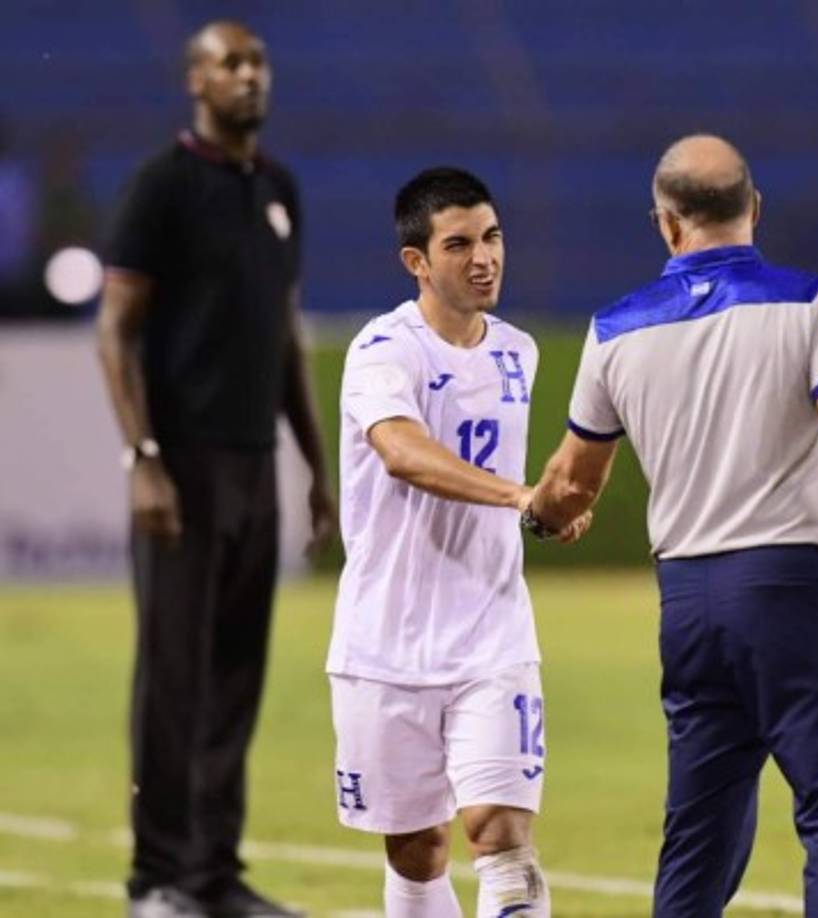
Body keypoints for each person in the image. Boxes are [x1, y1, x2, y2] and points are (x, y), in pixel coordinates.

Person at [524, 134, 818, 918]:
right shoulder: (810, 302)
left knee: (699, 835)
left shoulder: (613, 329)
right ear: (754, 210)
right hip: (794, 588)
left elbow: (571, 483)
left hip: (690, 606)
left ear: (666, 224)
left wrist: (540, 517)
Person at [97, 21, 336, 918]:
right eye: (230, 63)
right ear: (196, 78)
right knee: (173, 677)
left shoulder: (277, 189)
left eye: (259, 61)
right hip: (182, 468)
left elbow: (283, 336)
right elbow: (114, 331)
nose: (250, 75)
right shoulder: (161, 186)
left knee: (238, 672)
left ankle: (212, 873)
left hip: (254, 465)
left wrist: (314, 466)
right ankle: (154, 879)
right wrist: (142, 458)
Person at [327, 167, 588, 918]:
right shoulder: (381, 351)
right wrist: (520, 497)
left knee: (501, 839)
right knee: (417, 851)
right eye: (459, 243)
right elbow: (403, 453)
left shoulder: (520, 352)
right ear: (417, 261)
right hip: (384, 645)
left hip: (491, 636)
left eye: (493, 236)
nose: (485, 257)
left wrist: (544, 512)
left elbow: (516, 487)